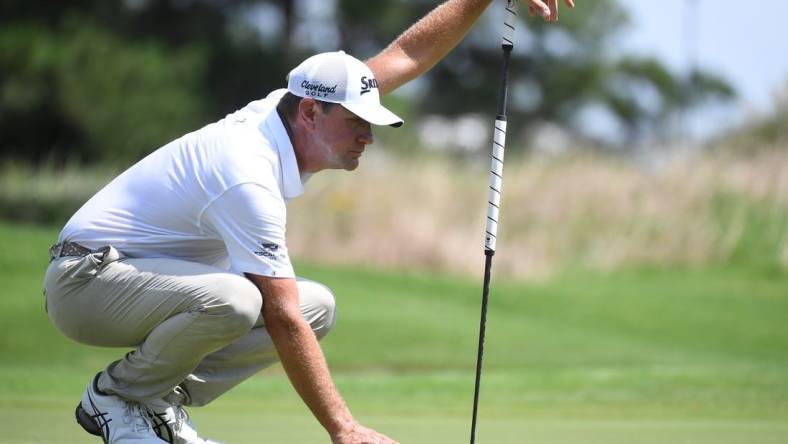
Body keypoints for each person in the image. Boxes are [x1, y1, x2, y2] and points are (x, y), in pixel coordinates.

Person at [43, 0, 575, 443]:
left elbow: (407, 54)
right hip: (87, 282)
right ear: (311, 114)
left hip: (144, 278)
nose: (368, 135)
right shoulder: (246, 170)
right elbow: (281, 316)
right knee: (248, 302)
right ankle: (117, 397)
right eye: (356, 123)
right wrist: (343, 428)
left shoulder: (294, 107)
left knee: (317, 304)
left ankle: (156, 400)